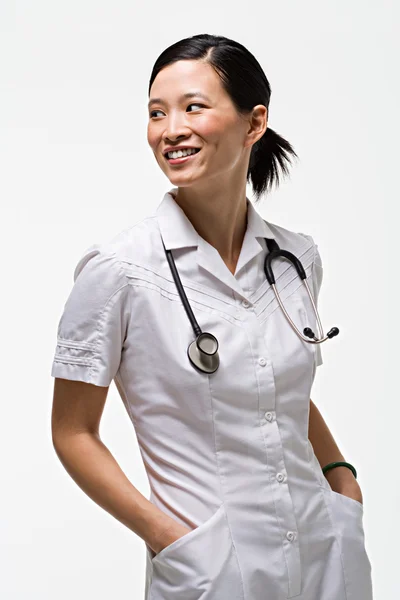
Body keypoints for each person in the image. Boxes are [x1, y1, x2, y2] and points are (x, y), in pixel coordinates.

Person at [51, 33, 373, 600]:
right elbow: (72, 432)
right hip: (213, 572)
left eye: (192, 107)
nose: (171, 129)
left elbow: (280, 389)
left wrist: (342, 483)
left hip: (325, 554)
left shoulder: (296, 259)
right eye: (157, 112)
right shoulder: (120, 271)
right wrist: (169, 538)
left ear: (254, 124)